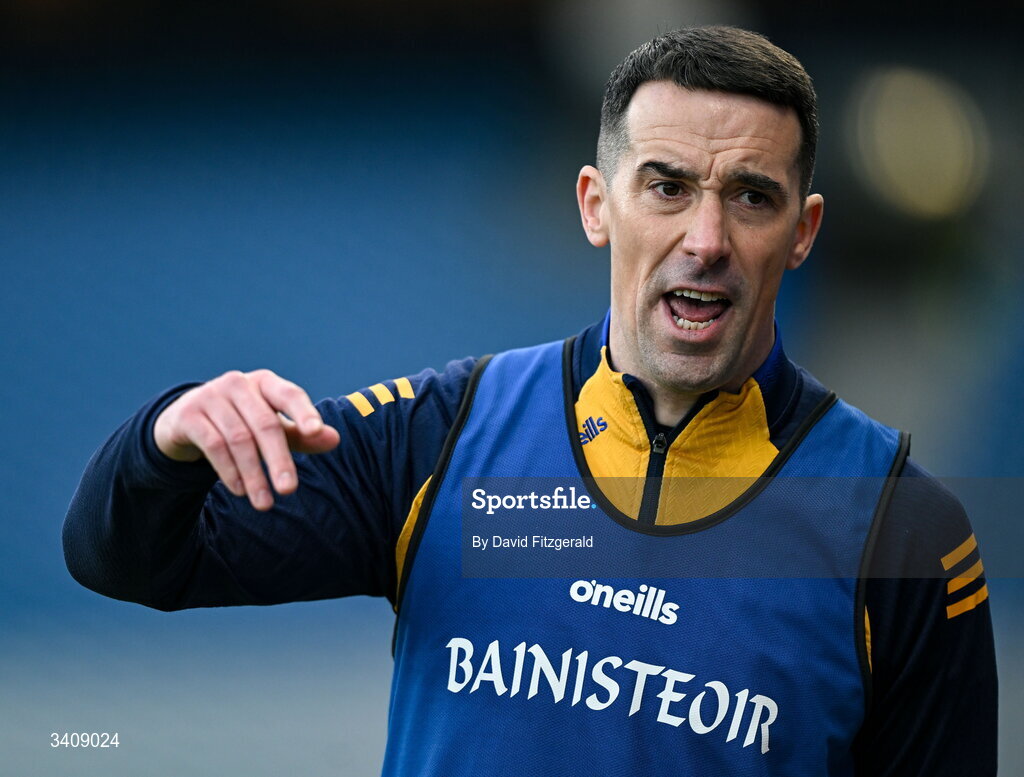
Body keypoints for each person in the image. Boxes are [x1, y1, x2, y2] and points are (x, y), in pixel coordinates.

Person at [63, 26, 996, 776]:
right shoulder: (447, 435)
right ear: (596, 204)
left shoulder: (903, 530)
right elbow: (131, 557)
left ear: (804, 230)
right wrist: (165, 438)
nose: (705, 237)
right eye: (665, 186)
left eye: (751, 197)